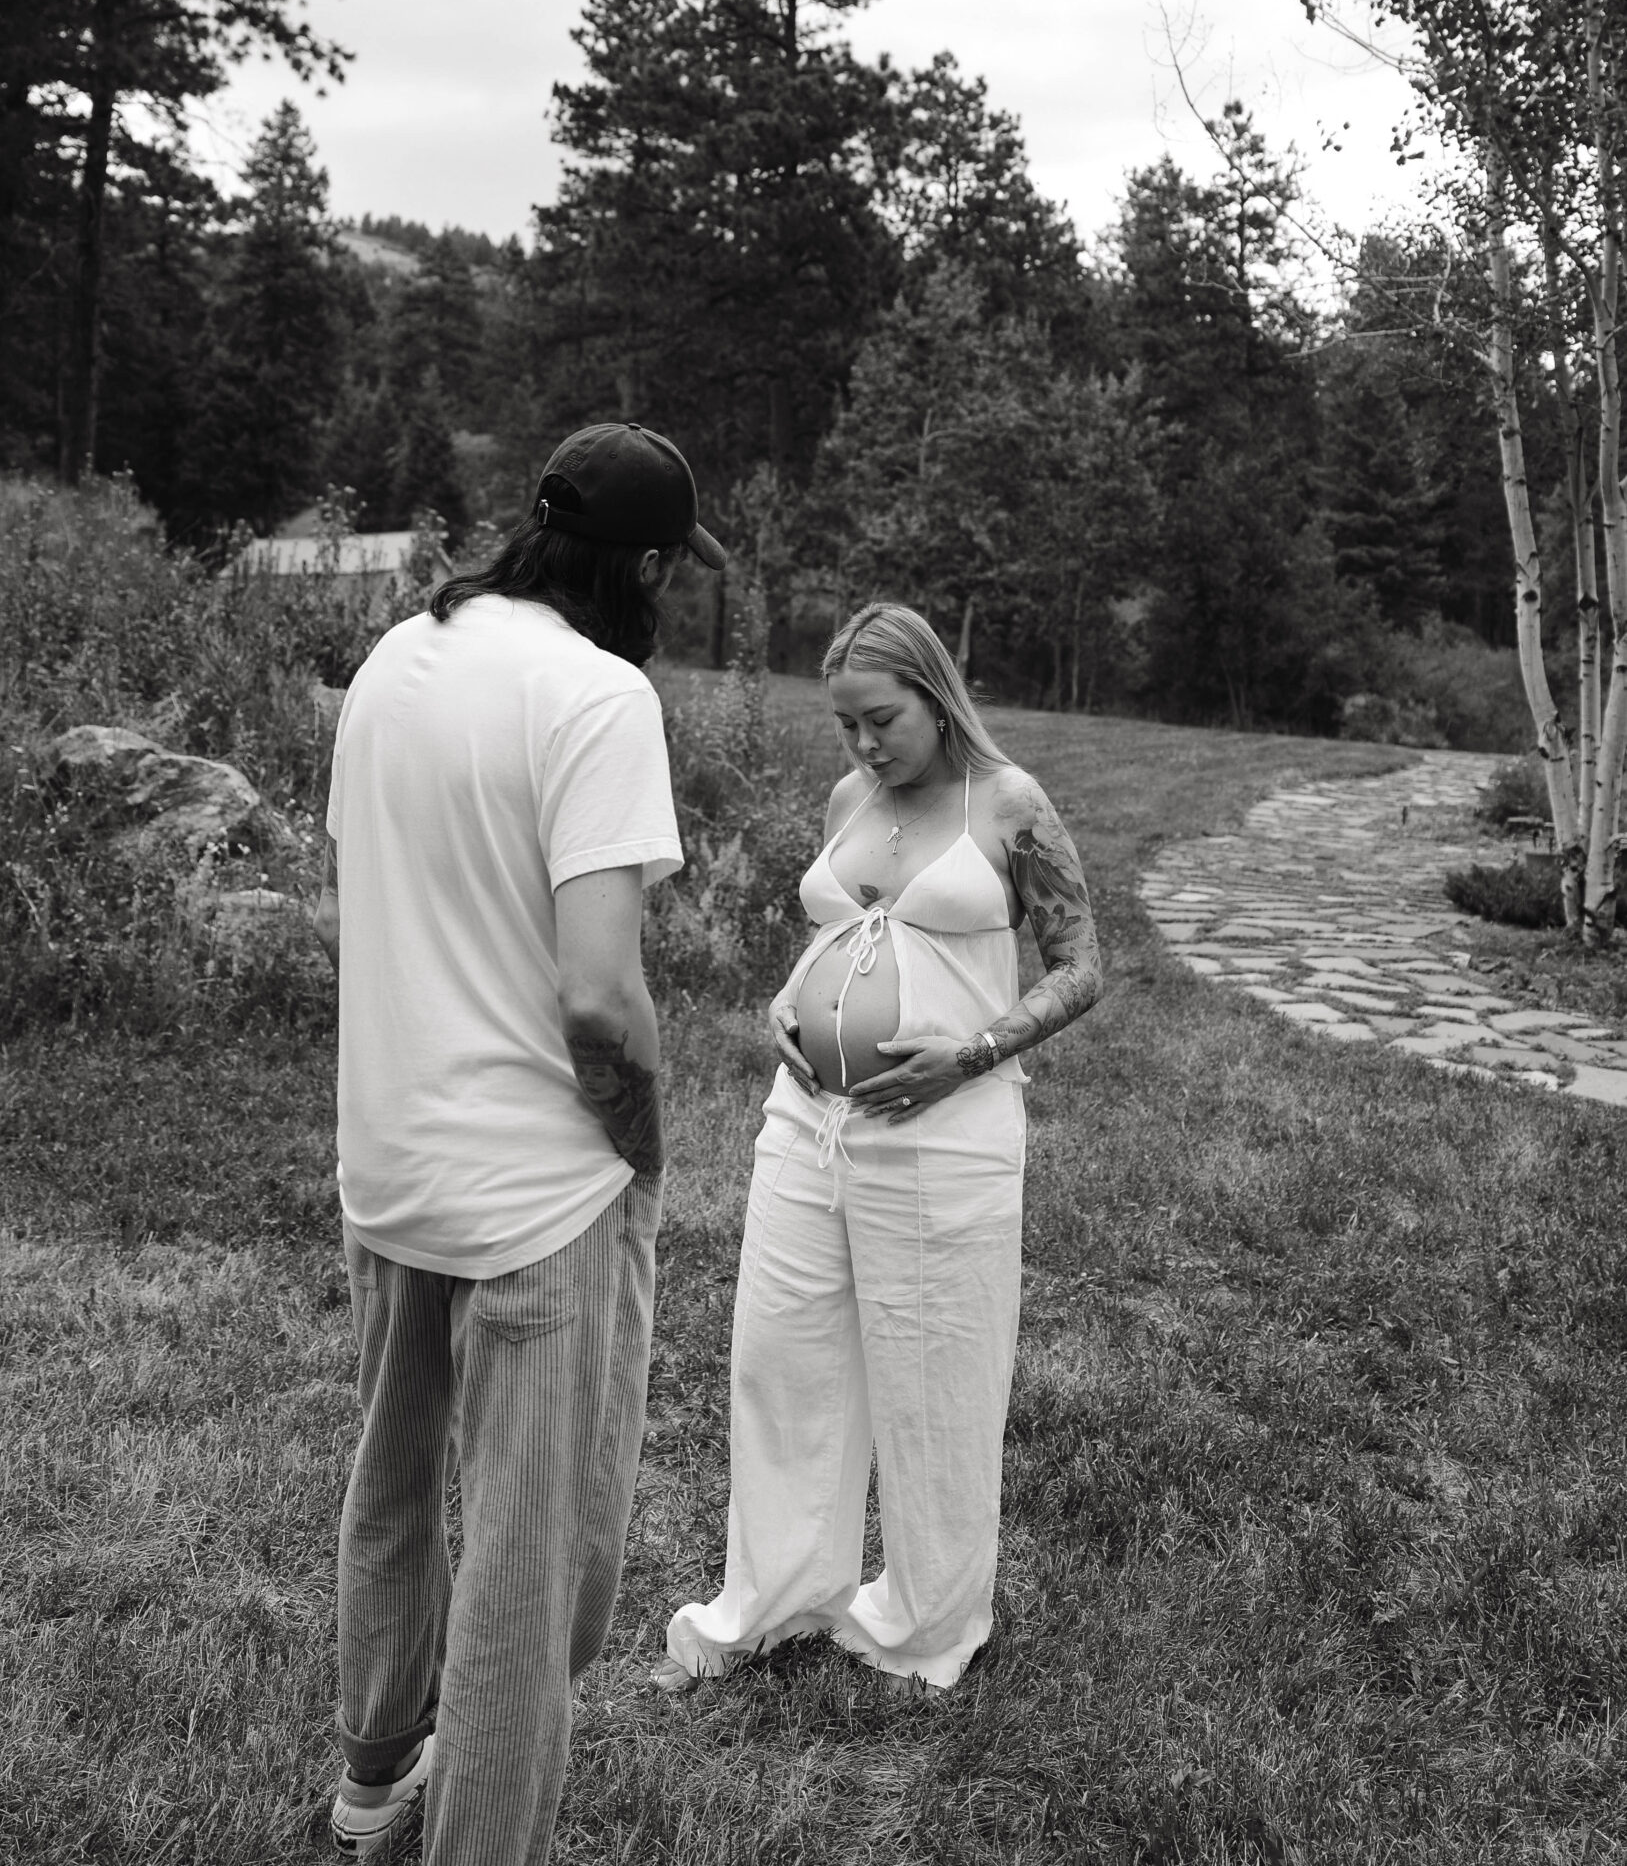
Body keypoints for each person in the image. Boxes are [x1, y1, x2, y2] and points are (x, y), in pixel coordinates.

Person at [316, 421, 725, 1865]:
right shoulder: (596, 695)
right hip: (535, 1193)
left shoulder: (392, 661)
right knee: (526, 1568)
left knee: (391, 1482)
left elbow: (375, 895)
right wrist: (645, 1142)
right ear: (648, 566)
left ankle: (372, 1783)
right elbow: (600, 998)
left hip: (388, 1164)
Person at [664, 600, 1101, 1693]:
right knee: (780, 1360)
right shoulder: (849, 796)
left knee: (934, 1382)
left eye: (881, 719)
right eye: (846, 723)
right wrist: (786, 998)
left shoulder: (1010, 805)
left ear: (936, 695)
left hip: (941, 1135)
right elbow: (845, 929)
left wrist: (972, 1050)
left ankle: (924, 1620)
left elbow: (1081, 965)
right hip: (805, 1118)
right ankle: (772, 1599)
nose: (862, 745)